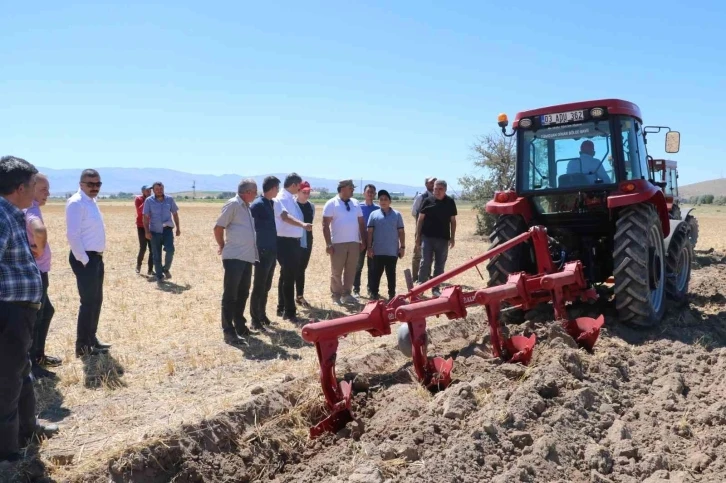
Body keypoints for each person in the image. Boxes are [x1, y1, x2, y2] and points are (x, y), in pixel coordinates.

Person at [0, 156, 58, 465]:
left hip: (19, 311)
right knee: (7, 381)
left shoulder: (12, 213)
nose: (38, 190)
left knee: (21, 372)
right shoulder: (1, 215)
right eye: (35, 185)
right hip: (8, 311)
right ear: (21, 188)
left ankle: (28, 428)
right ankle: (7, 453)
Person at [66, 169, 111, 357]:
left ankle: (91, 339)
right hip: (85, 258)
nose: (94, 188)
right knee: (88, 302)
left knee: (96, 301)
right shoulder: (76, 203)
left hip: (95, 258)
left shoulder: (92, 201)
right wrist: (84, 260)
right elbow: (72, 235)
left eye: (98, 184)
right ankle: (83, 346)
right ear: (81, 184)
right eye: (90, 184)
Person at [24, 173, 62, 378]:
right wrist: (39, 245)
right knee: (37, 316)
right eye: (43, 190)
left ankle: (38, 356)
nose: (48, 193)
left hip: (39, 271)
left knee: (46, 312)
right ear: (31, 189)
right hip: (37, 271)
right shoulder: (31, 209)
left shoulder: (28, 207)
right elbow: (38, 229)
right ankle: (32, 363)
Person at [214, 179, 259, 345]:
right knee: (230, 295)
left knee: (242, 293)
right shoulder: (233, 205)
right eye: (254, 192)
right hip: (234, 257)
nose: (256, 195)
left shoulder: (246, 207)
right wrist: (222, 245)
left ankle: (240, 326)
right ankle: (228, 331)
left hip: (247, 257)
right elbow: (218, 227)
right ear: (247, 192)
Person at [274, 173, 313, 324]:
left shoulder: (289, 198)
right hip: (285, 242)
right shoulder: (282, 198)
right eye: (299, 186)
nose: (300, 189)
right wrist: (302, 225)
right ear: (294, 185)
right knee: (288, 278)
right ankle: (289, 311)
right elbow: (285, 217)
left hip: (292, 242)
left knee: (286, 276)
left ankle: (282, 307)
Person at [322, 179, 367, 306]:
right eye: (351, 187)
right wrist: (328, 244)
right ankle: (336, 296)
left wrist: (363, 240)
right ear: (342, 189)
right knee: (336, 270)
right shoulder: (331, 203)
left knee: (351, 270)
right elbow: (325, 225)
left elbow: (361, 223)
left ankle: (347, 294)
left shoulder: (355, 203)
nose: (353, 189)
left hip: (354, 242)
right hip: (338, 243)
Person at [415, 179, 457, 298]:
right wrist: (418, 237)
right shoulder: (427, 201)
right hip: (427, 238)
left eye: (440, 189)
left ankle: (435, 289)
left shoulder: (450, 202)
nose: (437, 191)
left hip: (443, 239)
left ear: (445, 190)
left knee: (440, 265)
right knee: (425, 262)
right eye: (435, 189)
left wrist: (452, 237)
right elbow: (420, 219)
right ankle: (421, 286)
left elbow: (453, 221)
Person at [250, 176, 280, 330]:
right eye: (277, 188)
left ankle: (262, 315)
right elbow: (250, 226)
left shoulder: (270, 203)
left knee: (266, 286)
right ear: (273, 188)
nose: (278, 191)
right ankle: (255, 320)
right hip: (262, 250)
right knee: (259, 286)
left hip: (271, 250)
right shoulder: (257, 205)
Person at [366, 190, 405, 300]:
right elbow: (370, 232)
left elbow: (401, 232)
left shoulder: (397, 215)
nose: (383, 202)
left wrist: (402, 247)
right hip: (377, 251)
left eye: (385, 199)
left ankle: (392, 295)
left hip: (392, 251)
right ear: (378, 201)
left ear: (390, 201)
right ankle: (374, 294)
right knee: (376, 274)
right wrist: (369, 247)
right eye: (381, 199)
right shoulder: (373, 215)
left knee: (391, 275)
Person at [143, 182, 180, 284]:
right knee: (156, 255)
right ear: (153, 190)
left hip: (167, 230)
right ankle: (159, 276)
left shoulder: (169, 199)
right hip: (154, 231)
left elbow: (175, 214)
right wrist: (146, 231)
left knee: (170, 250)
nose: (159, 190)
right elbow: (145, 217)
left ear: (163, 189)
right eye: (157, 189)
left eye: (161, 188)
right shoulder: (149, 201)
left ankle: (166, 268)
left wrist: (178, 228)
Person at [353, 184, 379, 298]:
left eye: (372, 192)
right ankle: (356, 289)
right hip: (360, 240)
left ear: (375, 194)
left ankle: (371, 289)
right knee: (358, 266)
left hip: (373, 242)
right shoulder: (358, 206)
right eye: (368, 191)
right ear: (364, 193)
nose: (370, 193)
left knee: (372, 267)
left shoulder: (378, 209)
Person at [410, 177, 436, 282]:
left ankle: (426, 275)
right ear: (426, 184)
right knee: (418, 254)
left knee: (430, 255)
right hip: (421, 230)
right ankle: (415, 277)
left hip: (433, 230)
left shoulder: (437, 196)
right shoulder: (421, 197)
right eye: (431, 182)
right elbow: (414, 212)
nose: (433, 184)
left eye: (434, 182)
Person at [294, 180, 315, 307]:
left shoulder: (311, 206)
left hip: (307, 240)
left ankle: (299, 296)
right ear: (298, 191)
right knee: (293, 270)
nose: (306, 194)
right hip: (295, 241)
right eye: (304, 192)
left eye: (308, 192)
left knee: (302, 269)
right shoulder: (293, 205)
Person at [134, 185, 154, 276]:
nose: (149, 192)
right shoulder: (139, 199)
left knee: (152, 249)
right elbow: (139, 211)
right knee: (143, 247)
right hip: (141, 226)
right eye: (147, 191)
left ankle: (150, 269)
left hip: (152, 227)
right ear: (143, 192)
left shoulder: (154, 200)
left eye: (150, 191)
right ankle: (138, 265)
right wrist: (147, 201)